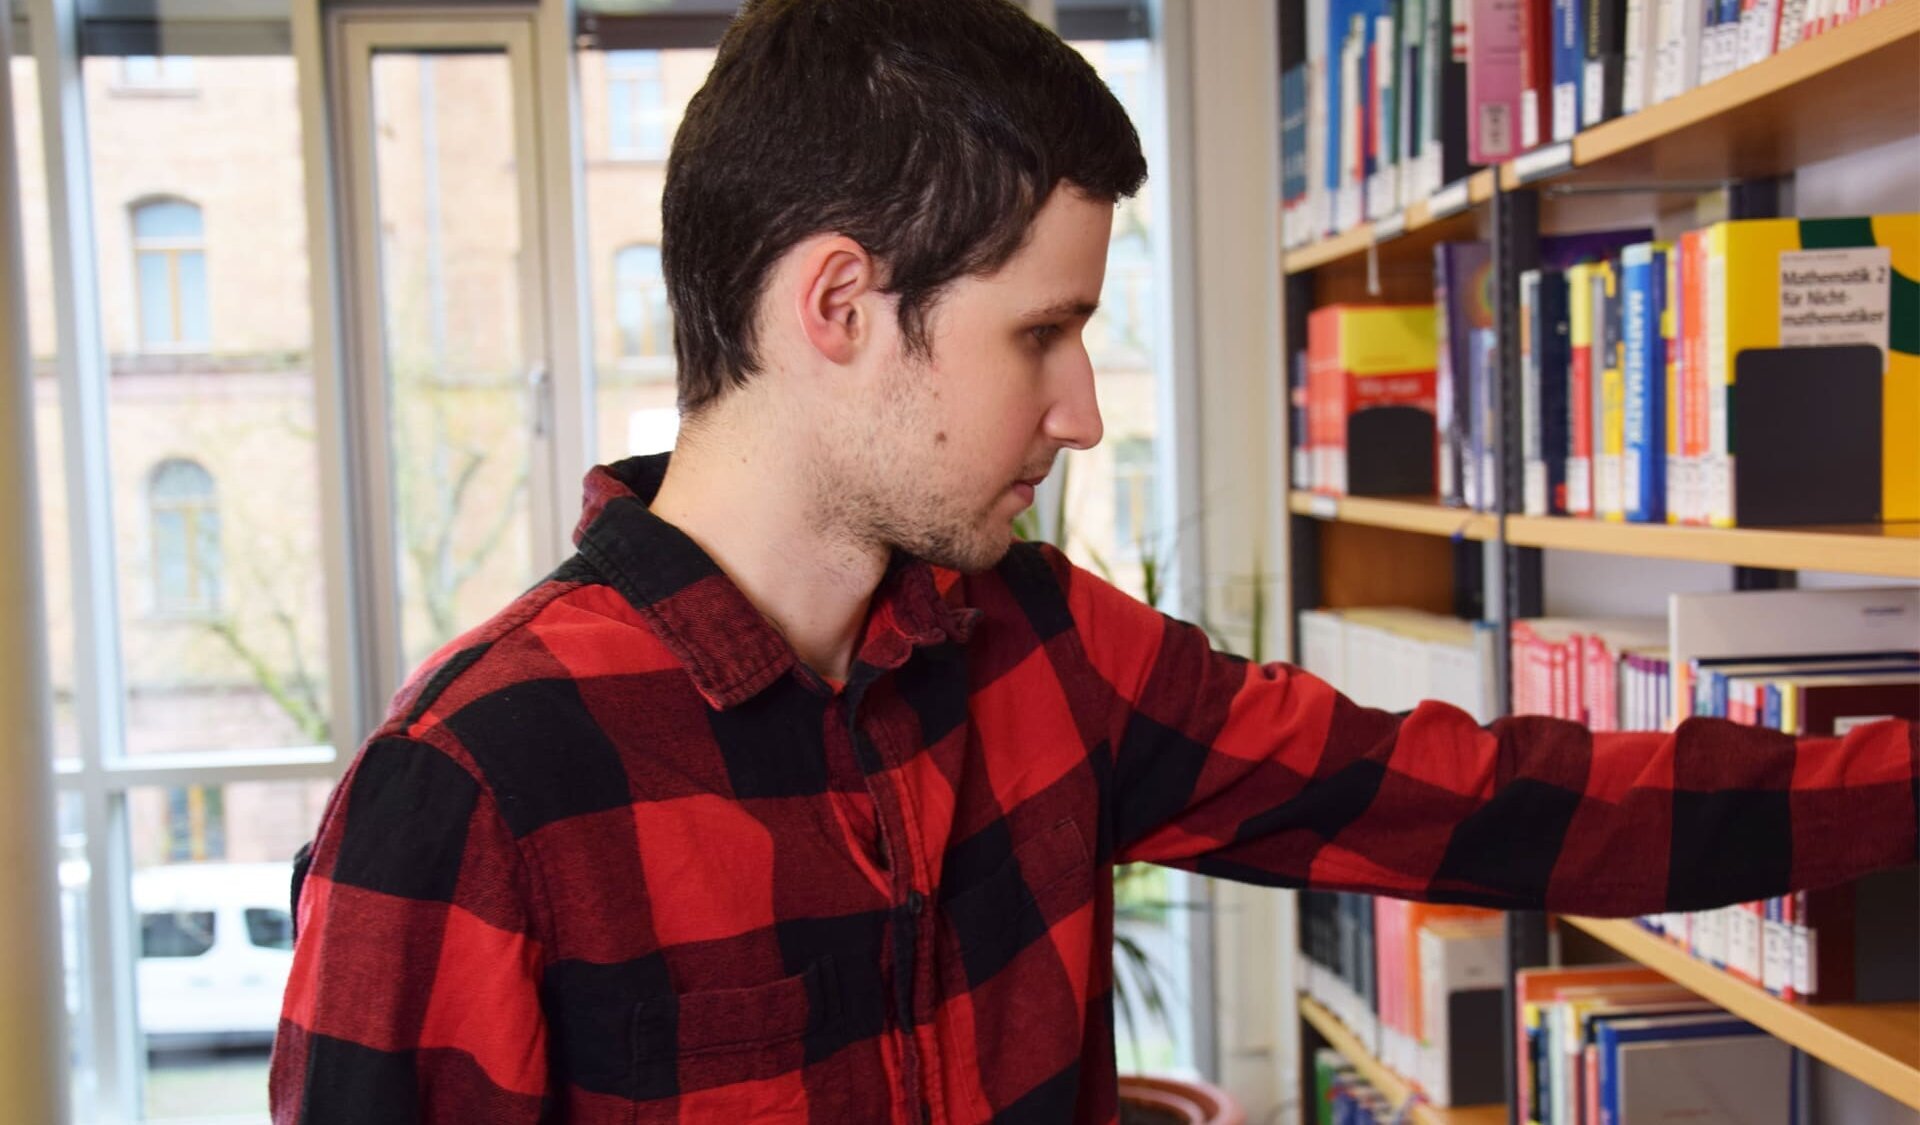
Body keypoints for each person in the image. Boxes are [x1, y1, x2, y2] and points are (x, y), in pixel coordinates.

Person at [267, 1, 1919, 1122]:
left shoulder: (1044, 650)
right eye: (1040, 332)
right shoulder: (472, 790)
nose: (1078, 413)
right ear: (838, 308)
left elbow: (1484, 797)